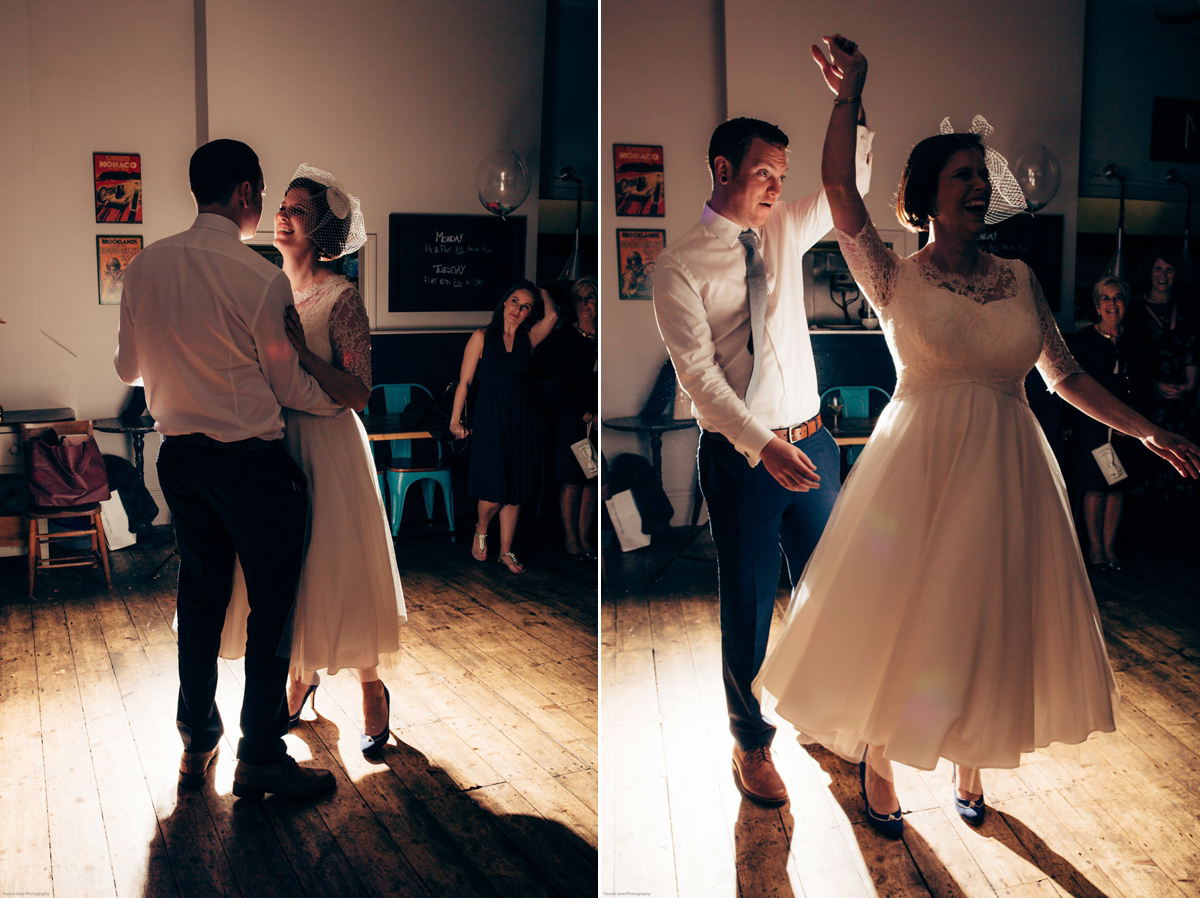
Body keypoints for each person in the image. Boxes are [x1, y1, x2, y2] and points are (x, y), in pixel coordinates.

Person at [755, 37, 1200, 839]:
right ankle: (882, 757)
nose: (977, 184)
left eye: (981, 175)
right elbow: (834, 188)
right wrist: (848, 94)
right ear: (926, 193)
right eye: (961, 173)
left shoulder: (1022, 280)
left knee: (986, 618)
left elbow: (1064, 376)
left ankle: (969, 760)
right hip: (920, 466)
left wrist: (1148, 429)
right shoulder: (893, 274)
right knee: (908, 616)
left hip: (1008, 470)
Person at [651, 53, 874, 807]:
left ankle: (821, 709)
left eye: (782, 173)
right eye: (764, 172)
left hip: (813, 442)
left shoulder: (785, 229)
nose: (778, 186)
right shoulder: (678, 266)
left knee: (827, 589)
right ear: (723, 168)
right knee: (747, 602)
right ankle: (751, 744)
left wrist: (852, 98)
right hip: (744, 457)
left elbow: (853, 185)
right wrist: (762, 445)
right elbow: (700, 381)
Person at [115, 139, 342, 798]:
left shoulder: (144, 267)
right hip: (251, 466)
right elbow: (286, 385)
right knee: (272, 610)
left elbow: (128, 369)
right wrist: (339, 401)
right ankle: (261, 756)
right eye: (262, 194)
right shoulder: (260, 278)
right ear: (244, 192)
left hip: (180, 460)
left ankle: (196, 738)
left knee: (201, 597)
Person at [217, 165, 405, 755]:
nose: (283, 216)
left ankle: (370, 684)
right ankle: (299, 677)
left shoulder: (341, 298)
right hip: (275, 443)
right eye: (284, 207)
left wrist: (301, 352)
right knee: (288, 570)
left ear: (321, 229)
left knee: (335, 565)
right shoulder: (268, 288)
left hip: (327, 444)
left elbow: (358, 393)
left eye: (298, 211)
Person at [449, 280, 558, 574]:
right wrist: (455, 419)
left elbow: (553, 317)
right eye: (514, 301)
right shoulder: (482, 337)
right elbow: (465, 382)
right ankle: (481, 528)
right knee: (494, 490)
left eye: (525, 307)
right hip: (491, 415)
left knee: (517, 487)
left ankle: (506, 551)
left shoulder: (529, 338)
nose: (518, 309)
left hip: (523, 418)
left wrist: (539, 287)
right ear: (504, 302)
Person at [1066, 277, 1136, 570]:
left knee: (1117, 487)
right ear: (1097, 306)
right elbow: (1072, 386)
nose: (1112, 304)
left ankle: (1110, 549)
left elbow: (1142, 385)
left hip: (1128, 428)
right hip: (1092, 428)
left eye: (1117, 297)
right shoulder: (1082, 342)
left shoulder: (1136, 340)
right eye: (1105, 299)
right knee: (1095, 487)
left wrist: (1132, 423)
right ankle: (1095, 549)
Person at [1124, 246, 1198, 510]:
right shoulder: (1133, 310)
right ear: (1149, 272)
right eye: (1158, 268)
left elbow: (1193, 349)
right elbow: (1130, 358)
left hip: (1184, 404)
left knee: (1187, 466)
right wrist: (1153, 386)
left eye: (1169, 269)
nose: (1163, 275)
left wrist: (1190, 383)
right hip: (1149, 403)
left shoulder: (1188, 308)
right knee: (1149, 466)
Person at [544, 276, 598, 560]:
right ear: (573, 305)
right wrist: (584, 413)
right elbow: (557, 386)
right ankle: (571, 538)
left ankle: (585, 537)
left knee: (593, 478)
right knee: (573, 479)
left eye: (591, 297)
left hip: (598, 421)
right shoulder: (565, 338)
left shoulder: (603, 336)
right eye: (580, 299)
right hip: (573, 419)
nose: (587, 303)